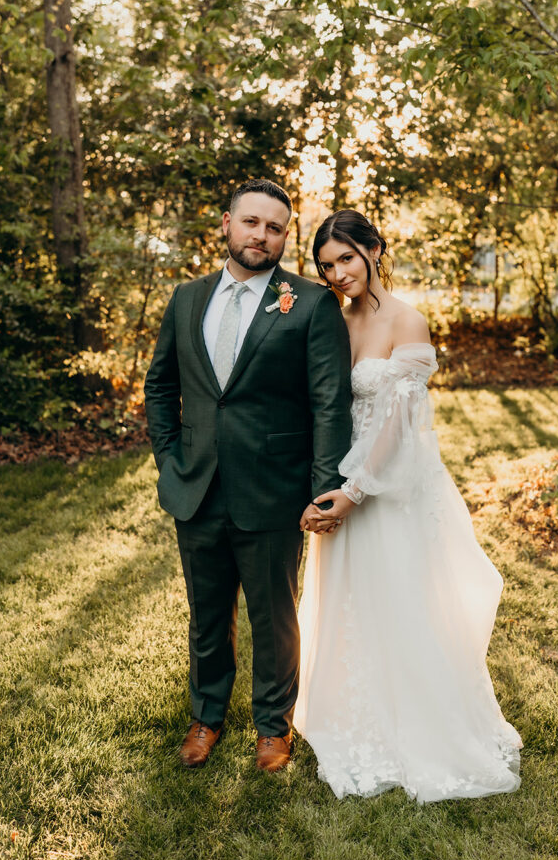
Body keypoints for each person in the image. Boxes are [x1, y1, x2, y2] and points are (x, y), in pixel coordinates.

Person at [297, 209, 522, 802]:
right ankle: (352, 716)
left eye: (347, 258)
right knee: (350, 600)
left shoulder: (407, 320)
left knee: (399, 599)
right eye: (327, 265)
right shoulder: (330, 319)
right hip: (339, 477)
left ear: (374, 250)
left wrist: (356, 491)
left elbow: (399, 422)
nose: (338, 274)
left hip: (387, 485)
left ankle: (421, 727)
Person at [144, 179, 352, 772]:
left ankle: (272, 726)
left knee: (274, 619)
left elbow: (329, 403)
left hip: (274, 490)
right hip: (196, 487)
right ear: (227, 224)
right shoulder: (187, 298)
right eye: (252, 222)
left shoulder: (309, 302)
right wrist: (170, 459)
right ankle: (206, 718)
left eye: (275, 227)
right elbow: (160, 386)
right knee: (207, 615)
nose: (262, 235)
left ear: (285, 236)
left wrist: (324, 489)